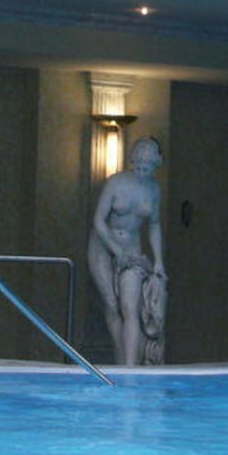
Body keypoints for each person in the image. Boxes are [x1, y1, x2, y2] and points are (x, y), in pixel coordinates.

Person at [88, 135, 167, 365]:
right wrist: (115, 250)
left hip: (131, 247)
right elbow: (98, 221)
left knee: (130, 307)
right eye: (138, 164)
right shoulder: (116, 183)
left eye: (147, 165)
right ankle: (120, 355)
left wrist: (159, 261)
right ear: (132, 161)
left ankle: (130, 367)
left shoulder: (154, 190)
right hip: (103, 244)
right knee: (112, 304)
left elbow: (154, 225)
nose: (142, 169)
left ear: (156, 164)